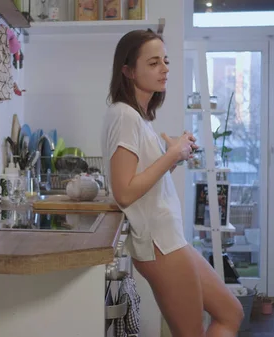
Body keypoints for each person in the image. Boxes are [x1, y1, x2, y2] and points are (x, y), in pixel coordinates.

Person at [100, 29, 244, 337]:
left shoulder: (138, 117)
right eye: (153, 63)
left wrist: (172, 157)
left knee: (230, 312)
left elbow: (143, 182)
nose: (164, 68)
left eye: (165, 61)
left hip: (170, 239)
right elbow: (124, 192)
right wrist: (172, 154)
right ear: (128, 70)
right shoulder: (124, 115)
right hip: (159, 245)